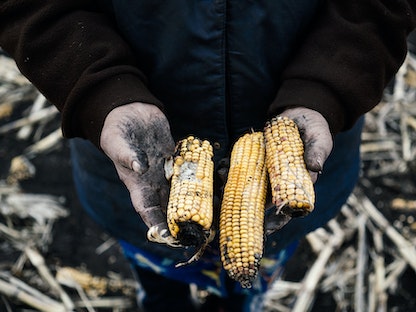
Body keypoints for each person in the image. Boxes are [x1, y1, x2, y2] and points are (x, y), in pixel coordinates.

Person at [1, 1, 415, 311]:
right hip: (126, 167)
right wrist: (102, 92)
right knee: (155, 261)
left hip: (287, 163)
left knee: (250, 274)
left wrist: (325, 90)